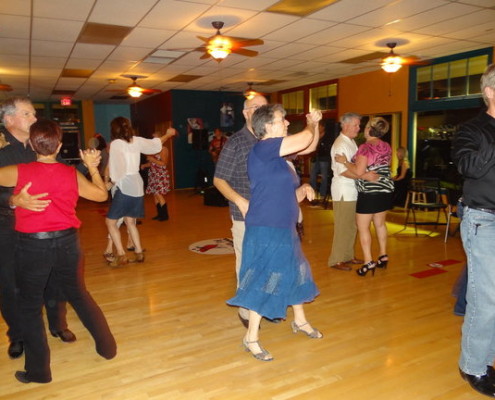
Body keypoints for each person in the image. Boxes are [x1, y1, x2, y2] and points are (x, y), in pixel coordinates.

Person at [0, 119, 116, 383]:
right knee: (79, 295)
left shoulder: (18, 171)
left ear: (31, 144)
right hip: (68, 244)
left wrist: (11, 199)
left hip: (32, 247)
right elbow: (101, 195)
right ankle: (108, 349)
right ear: (60, 145)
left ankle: (39, 372)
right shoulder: (69, 173)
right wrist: (92, 168)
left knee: (29, 308)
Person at [227, 104, 323, 362]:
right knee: (265, 279)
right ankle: (251, 337)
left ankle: (300, 321)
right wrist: (311, 122)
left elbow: (308, 147)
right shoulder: (263, 148)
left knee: (295, 272)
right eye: (282, 120)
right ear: (268, 127)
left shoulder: (279, 158)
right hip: (266, 228)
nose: (287, 123)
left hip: (285, 227)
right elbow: (305, 137)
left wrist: (303, 188)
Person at [0, 97, 75, 360]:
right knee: (10, 285)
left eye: (34, 114)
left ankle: (57, 325)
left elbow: (59, 173)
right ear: (9, 120)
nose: (34, 119)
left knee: (53, 279)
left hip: (41, 228)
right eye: (28, 114)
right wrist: (10, 200)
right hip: (7, 229)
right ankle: (18, 335)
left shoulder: (39, 145)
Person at [451, 63, 495, 397]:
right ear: (490, 91)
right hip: (483, 221)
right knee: (486, 298)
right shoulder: (471, 129)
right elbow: (469, 167)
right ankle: (473, 365)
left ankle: (487, 355)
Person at [213, 95, 268, 327]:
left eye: (265, 108)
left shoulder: (270, 140)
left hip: (269, 215)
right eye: (257, 108)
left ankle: (263, 306)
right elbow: (219, 180)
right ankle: (246, 310)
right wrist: (240, 201)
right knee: (247, 263)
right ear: (246, 113)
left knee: (267, 263)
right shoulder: (236, 142)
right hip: (244, 216)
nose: (262, 112)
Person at [105, 117, 176, 267]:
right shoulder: (135, 140)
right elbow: (154, 146)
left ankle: (121, 255)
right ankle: (138, 253)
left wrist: (110, 183)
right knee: (130, 222)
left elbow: (118, 168)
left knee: (110, 222)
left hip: (125, 185)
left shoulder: (117, 144)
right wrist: (168, 135)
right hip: (137, 185)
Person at [335, 117, 393, 277]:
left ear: (369, 129)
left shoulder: (365, 148)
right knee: (380, 224)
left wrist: (345, 161)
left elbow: (359, 172)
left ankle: (368, 262)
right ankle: (383, 255)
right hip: (385, 190)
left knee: (363, 228)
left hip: (369, 192)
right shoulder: (386, 146)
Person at [327, 112, 365, 271]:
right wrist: (361, 175)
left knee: (351, 226)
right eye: (356, 125)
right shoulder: (340, 144)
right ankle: (336, 260)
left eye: (358, 125)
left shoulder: (351, 142)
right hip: (344, 190)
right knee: (343, 226)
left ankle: (348, 255)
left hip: (352, 190)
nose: (358, 128)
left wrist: (359, 174)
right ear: (346, 125)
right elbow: (342, 170)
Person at [145, 131, 172, 221]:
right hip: (154, 174)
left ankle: (165, 215)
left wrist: (152, 159)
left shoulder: (163, 149)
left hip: (160, 174)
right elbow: (153, 163)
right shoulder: (155, 150)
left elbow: (164, 163)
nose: (153, 140)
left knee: (158, 194)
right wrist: (145, 165)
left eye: (155, 138)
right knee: (155, 195)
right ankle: (159, 214)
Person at [309, 120, 331, 203]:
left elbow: (327, 148)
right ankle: (313, 193)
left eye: (319, 127)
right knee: (312, 175)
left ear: (323, 127)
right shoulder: (316, 135)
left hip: (324, 158)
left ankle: (322, 194)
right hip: (316, 157)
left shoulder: (327, 136)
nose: (317, 128)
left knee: (324, 177)